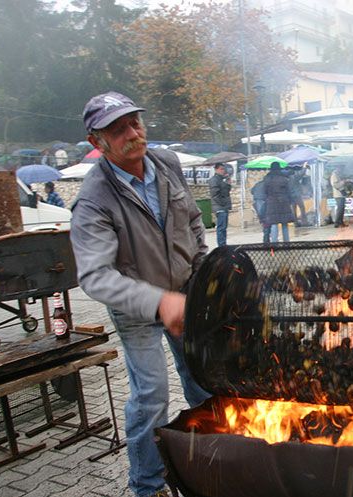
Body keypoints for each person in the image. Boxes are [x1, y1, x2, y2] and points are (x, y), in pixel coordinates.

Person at [70, 91, 211, 497]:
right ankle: (147, 485)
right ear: (99, 143)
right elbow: (95, 277)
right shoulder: (94, 199)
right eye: (119, 130)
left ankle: (209, 461)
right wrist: (159, 302)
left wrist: (199, 268)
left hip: (184, 292)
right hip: (137, 309)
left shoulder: (166, 162)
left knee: (202, 379)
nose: (134, 133)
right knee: (151, 396)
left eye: (136, 123)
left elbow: (193, 220)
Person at [263, 161, 294, 242]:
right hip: (283, 202)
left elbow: (265, 191)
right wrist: (290, 200)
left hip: (272, 202)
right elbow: (289, 191)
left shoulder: (267, 179)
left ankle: (274, 243)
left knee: (274, 223)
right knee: (284, 223)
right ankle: (286, 242)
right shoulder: (284, 179)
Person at [208, 163, 232, 247]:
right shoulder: (214, 180)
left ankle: (223, 244)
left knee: (224, 227)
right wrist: (222, 204)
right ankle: (221, 246)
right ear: (216, 169)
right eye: (221, 169)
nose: (223, 171)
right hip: (219, 206)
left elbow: (226, 192)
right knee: (221, 227)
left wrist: (228, 183)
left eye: (224, 169)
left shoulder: (222, 180)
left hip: (223, 206)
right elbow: (215, 195)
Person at [250, 177, 271, 243]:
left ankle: (266, 239)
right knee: (266, 221)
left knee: (263, 220)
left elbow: (252, 191)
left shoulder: (258, 184)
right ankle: (266, 240)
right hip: (264, 202)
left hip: (256, 202)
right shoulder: (267, 185)